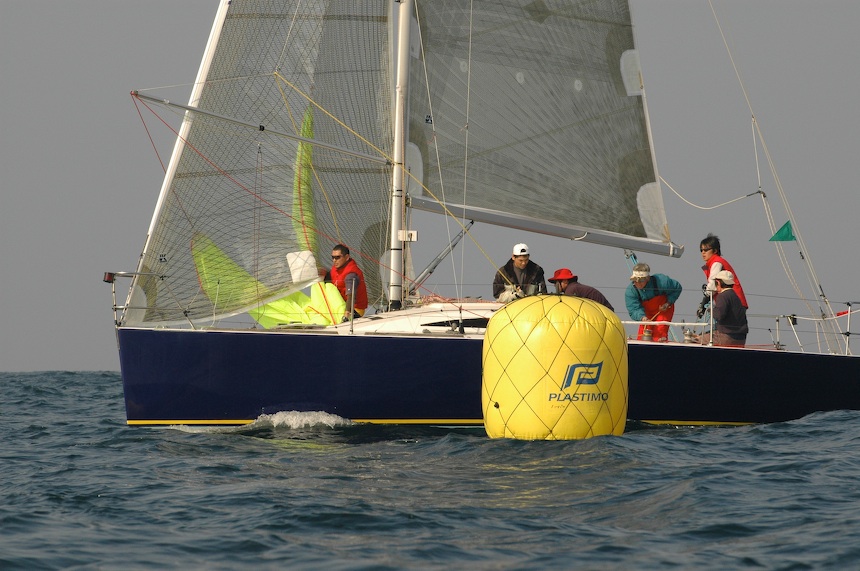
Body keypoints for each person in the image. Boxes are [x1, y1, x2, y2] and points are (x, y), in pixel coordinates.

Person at [625, 262, 682, 342]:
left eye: (641, 280)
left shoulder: (662, 281)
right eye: (635, 280)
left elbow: (677, 288)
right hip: (645, 314)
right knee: (643, 336)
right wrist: (643, 318)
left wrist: (668, 303)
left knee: (660, 331)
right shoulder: (631, 291)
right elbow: (634, 309)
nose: (638, 283)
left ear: (648, 278)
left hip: (663, 311)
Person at [698, 233, 748, 319]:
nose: (703, 252)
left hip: (732, 303)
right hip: (732, 303)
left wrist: (704, 301)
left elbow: (712, 286)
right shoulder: (715, 262)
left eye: (706, 250)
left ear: (715, 251)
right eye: (701, 250)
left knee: (726, 326)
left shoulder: (716, 263)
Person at [700, 270, 748, 347]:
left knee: (692, 340)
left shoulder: (722, 296)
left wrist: (710, 310)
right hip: (740, 339)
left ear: (718, 283)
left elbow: (719, 315)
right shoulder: (734, 296)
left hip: (726, 337)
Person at [325, 244, 368, 322]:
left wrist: (347, 314)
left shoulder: (351, 274)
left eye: (338, 257)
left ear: (347, 257)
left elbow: (351, 296)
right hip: (340, 305)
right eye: (333, 257)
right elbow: (328, 280)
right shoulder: (336, 268)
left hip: (355, 309)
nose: (334, 260)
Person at [547, 268, 614, 310]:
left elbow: (567, 309)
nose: (554, 285)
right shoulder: (575, 287)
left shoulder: (571, 289)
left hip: (605, 314)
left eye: (556, 282)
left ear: (565, 281)